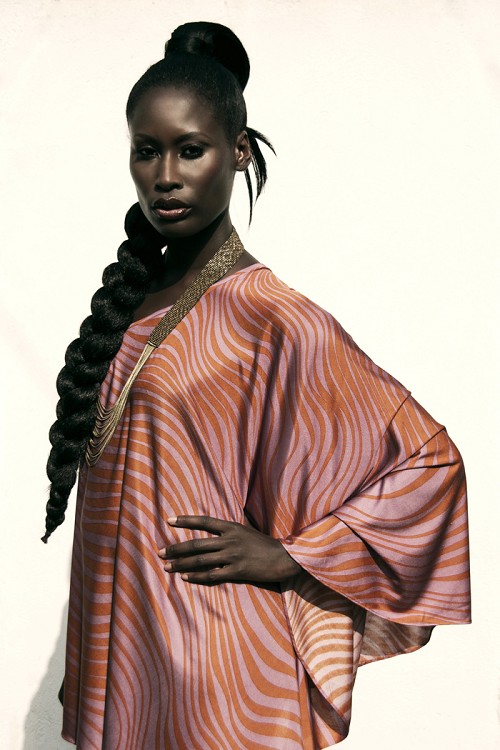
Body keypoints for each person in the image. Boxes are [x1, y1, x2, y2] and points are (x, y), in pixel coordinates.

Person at [42, 21, 471, 750]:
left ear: (238, 151)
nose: (165, 175)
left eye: (190, 149)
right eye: (147, 150)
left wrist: (292, 556)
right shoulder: (129, 305)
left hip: (216, 669)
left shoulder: (272, 316)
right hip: (130, 653)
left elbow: (429, 462)